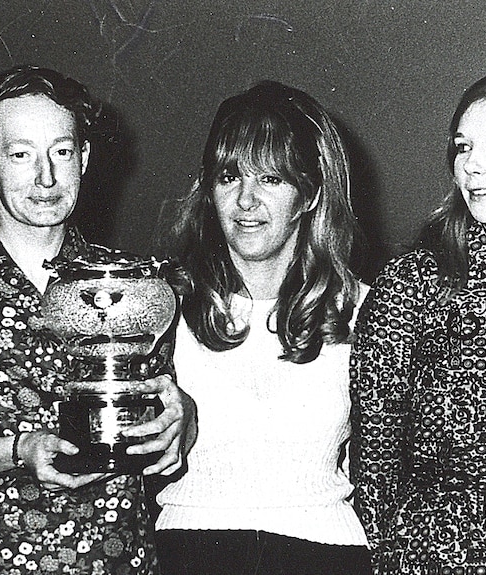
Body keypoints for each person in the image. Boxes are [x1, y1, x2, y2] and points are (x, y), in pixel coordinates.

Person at [0, 64, 193, 575]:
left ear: (84, 159)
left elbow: (165, 406)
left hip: (115, 559)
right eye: (21, 153)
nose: (46, 177)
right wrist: (20, 449)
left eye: (62, 152)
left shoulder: (133, 285)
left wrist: (184, 419)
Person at [153, 81, 370, 575]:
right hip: (189, 551)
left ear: (310, 194)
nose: (246, 201)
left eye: (271, 179)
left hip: (324, 553)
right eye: (230, 176)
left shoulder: (364, 311)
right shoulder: (163, 306)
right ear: (209, 189)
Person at [351, 64, 486, 573]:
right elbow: (374, 455)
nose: (471, 165)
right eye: (462, 147)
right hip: (436, 558)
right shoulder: (415, 283)